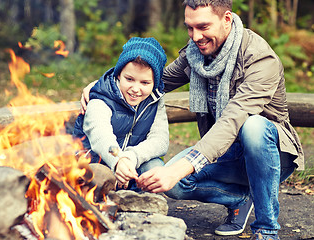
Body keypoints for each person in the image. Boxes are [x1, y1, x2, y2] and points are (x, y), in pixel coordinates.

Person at [80, 1, 305, 239]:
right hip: (224, 150)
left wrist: (179, 169)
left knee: (253, 126)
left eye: (203, 26)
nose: (196, 36)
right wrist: (104, 85)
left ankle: (266, 229)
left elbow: (233, 120)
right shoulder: (196, 54)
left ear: (226, 19)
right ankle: (241, 199)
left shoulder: (260, 60)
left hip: (269, 152)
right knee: (172, 183)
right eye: (190, 28)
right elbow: (155, 80)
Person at [72, 37, 169, 190]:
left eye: (144, 83)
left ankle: (140, 198)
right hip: (95, 162)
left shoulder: (154, 100)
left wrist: (130, 157)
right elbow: (102, 136)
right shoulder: (100, 98)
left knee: (155, 166)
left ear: (154, 83)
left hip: (130, 163)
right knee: (98, 174)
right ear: (118, 75)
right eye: (129, 79)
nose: (136, 89)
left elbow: (160, 140)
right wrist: (118, 159)